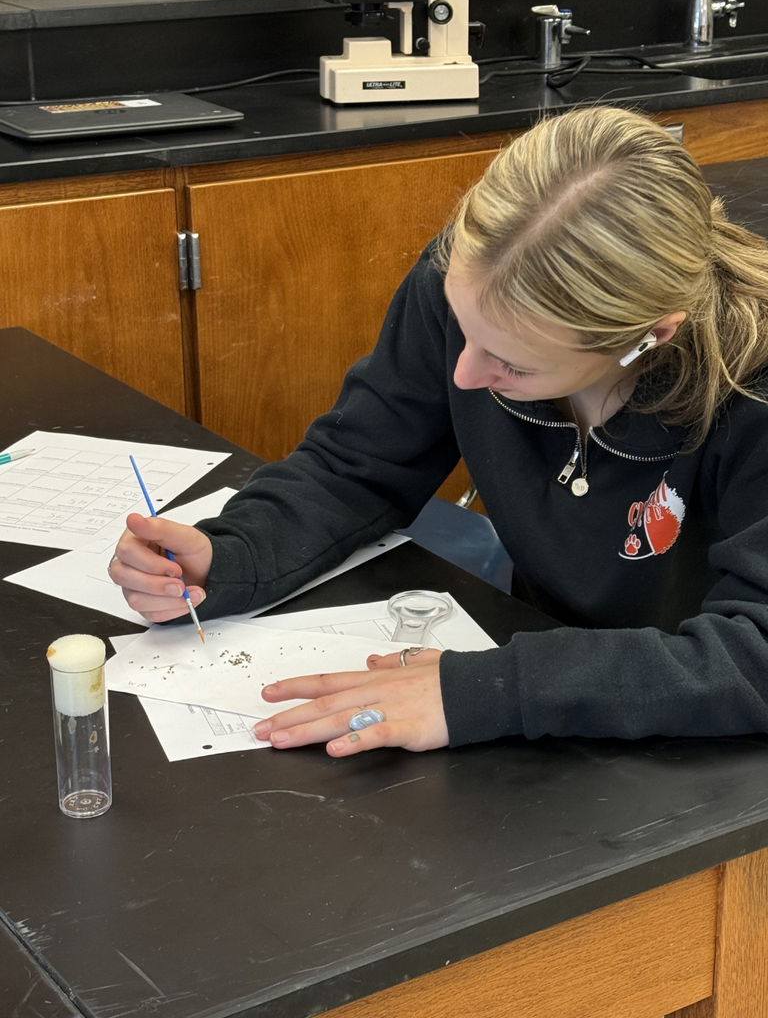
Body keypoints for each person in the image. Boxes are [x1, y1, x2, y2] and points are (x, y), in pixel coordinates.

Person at [109, 105, 768, 758]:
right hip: (546, 678)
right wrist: (234, 554)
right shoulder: (476, 282)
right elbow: (357, 464)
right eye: (463, 329)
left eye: (513, 364)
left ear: (649, 336)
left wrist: (487, 690)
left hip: (697, 735)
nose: (464, 375)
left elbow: (755, 655)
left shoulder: (754, 393)